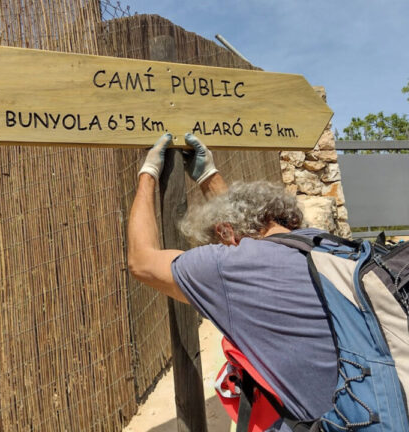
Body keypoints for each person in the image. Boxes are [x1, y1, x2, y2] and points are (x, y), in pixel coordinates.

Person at [127, 132, 338, 431]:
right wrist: (208, 175)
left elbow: (142, 262)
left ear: (226, 234)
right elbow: (242, 226)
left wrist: (148, 174)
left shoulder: (233, 266)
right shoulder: (325, 245)